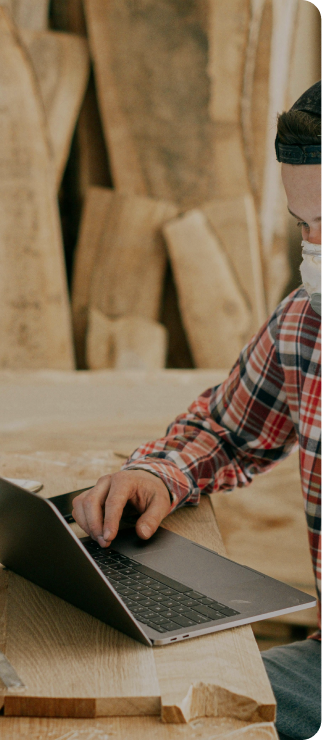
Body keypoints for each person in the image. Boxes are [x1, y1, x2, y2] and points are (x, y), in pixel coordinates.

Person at [72, 80, 322, 740]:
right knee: (178, 715)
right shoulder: (307, 325)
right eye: (305, 227)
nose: (316, 248)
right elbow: (227, 431)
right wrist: (156, 475)